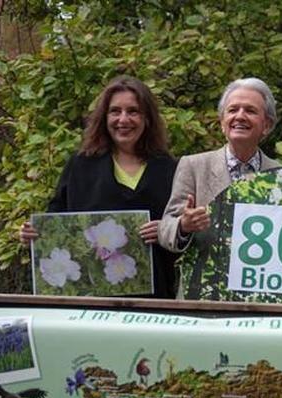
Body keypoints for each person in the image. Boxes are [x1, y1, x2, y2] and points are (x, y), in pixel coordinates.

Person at [19, 76, 179, 298]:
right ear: (104, 117)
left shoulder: (169, 168)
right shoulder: (80, 165)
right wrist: (33, 236)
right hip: (92, 303)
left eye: (133, 111)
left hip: (155, 303)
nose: (123, 119)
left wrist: (168, 230)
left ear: (147, 119)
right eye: (115, 111)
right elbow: (56, 221)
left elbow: (186, 233)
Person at [158, 78, 280, 252]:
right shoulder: (193, 166)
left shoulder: (280, 174)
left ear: (266, 125)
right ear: (223, 122)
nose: (240, 116)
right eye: (232, 110)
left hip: (259, 277)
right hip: (207, 277)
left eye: (250, 111)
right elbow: (165, 228)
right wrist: (183, 225)